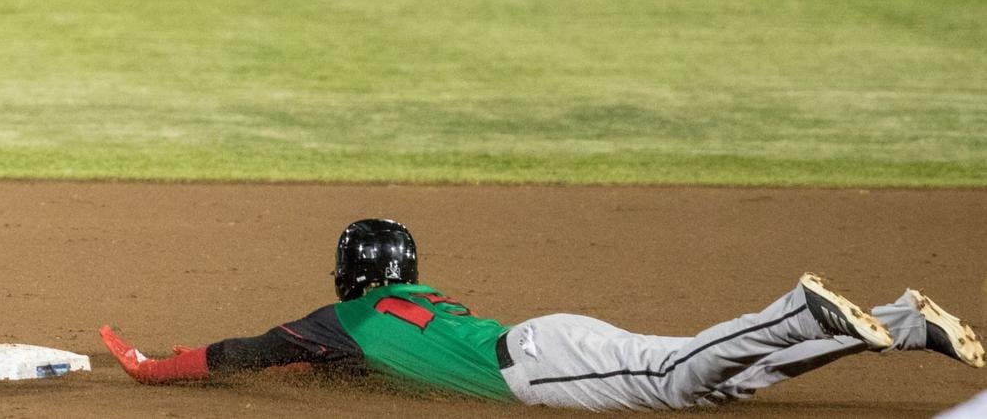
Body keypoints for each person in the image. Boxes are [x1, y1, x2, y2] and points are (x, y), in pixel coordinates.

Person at [100, 219, 985, 412]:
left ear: (348, 275)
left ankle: (798, 311)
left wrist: (149, 365)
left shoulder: (346, 324)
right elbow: (298, 361)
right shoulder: (401, 312)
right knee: (717, 383)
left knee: (679, 383)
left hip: (536, 366)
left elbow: (245, 351)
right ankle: (898, 322)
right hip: (544, 340)